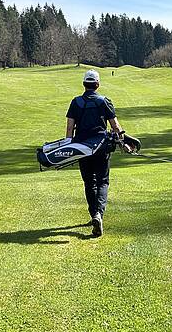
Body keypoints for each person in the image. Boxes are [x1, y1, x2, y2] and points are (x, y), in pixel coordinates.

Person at [65, 69, 126, 237]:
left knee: (89, 182)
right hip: (101, 148)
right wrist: (123, 142)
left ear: (84, 84)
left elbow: (70, 128)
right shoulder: (104, 101)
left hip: (82, 149)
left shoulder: (75, 102)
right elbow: (115, 126)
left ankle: (94, 215)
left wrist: (68, 148)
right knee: (102, 182)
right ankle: (99, 214)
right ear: (97, 84)